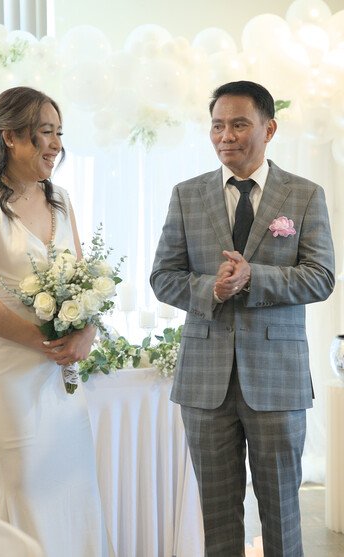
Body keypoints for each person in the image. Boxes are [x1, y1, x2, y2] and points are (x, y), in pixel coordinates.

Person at [150, 80, 335, 556]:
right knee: (216, 518)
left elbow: (321, 278)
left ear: (269, 129)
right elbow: (163, 277)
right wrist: (211, 288)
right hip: (204, 383)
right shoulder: (187, 195)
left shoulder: (304, 195)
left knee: (282, 513)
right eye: (217, 126)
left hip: (277, 380)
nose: (225, 136)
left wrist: (254, 277)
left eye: (238, 124)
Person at [0, 86, 113, 557]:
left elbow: (83, 281)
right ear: (10, 137)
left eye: (59, 133)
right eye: (45, 132)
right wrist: (45, 340)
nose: (56, 144)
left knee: (74, 489)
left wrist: (86, 331)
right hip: (6, 378)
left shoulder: (60, 198)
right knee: (23, 491)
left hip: (60, 379)